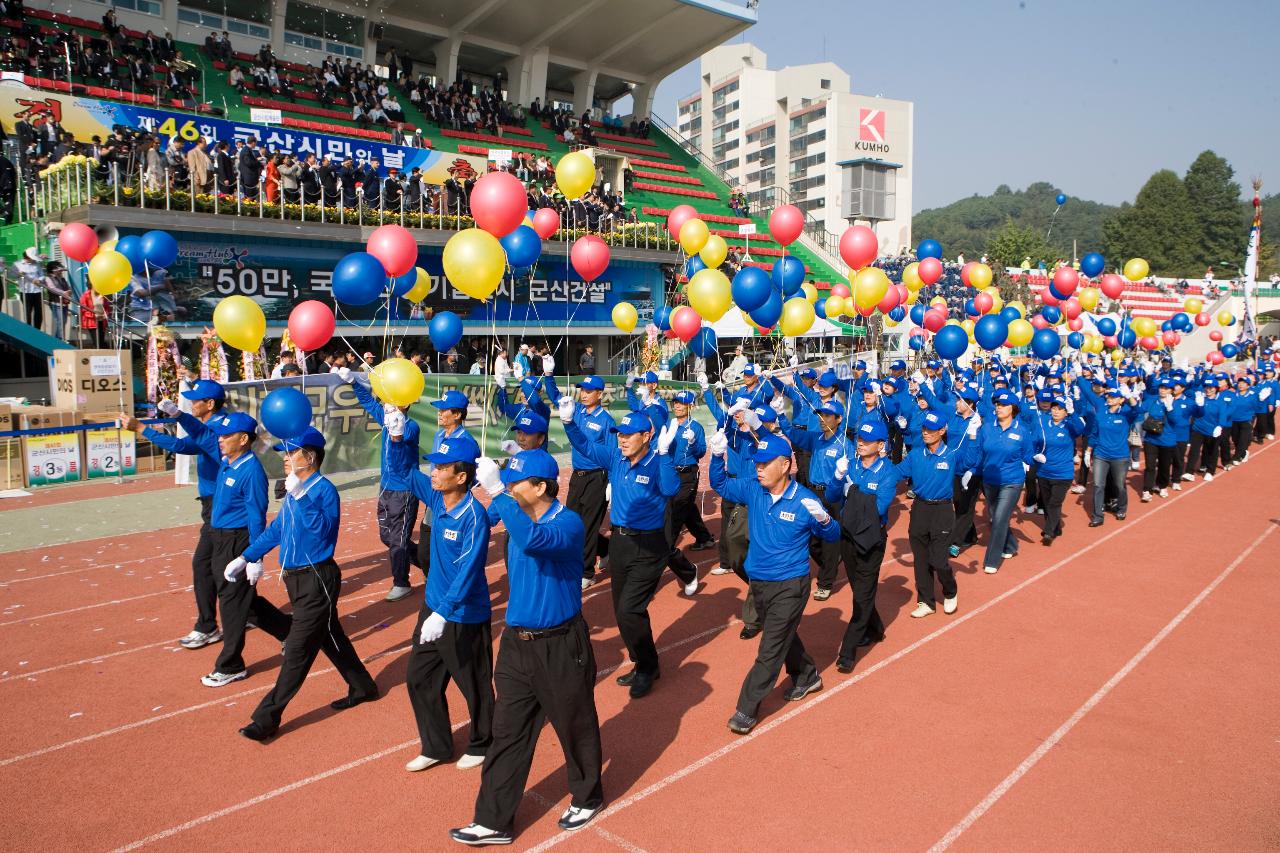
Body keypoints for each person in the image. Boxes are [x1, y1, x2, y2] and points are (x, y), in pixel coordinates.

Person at [449, 449, 603, 844]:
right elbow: (475, 519)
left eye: (518, 482)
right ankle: (493, 819)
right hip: (516, 645)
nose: (511, 486)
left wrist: (499, 490)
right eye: (509, 480)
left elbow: (534, 541)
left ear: (540, 487)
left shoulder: (567, 522)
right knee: (508, 732)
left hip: (560, 645)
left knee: (575, 725)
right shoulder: (515, 515)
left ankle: (587, 796)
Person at [235, 427, 379, 741]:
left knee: (298, 650)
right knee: (330, 634)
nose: (285, 460)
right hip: (297, 580)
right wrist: (247, 556)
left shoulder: (323, 490)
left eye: (291, 454)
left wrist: (300, 495)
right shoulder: (295, 488)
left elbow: (321, 530)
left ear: (309, 457)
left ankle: (266, 718)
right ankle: (363, 686)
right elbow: (277, 530)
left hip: (317, 579)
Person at [708, 430, 838, 734]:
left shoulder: (805, 501)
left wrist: (827, 521)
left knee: (769, 649)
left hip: (790, 585)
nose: (759, 468)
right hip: (760, 583)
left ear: (785, 465)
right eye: (757, 463)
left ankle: (746, 709)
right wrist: (716, 458)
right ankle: (807, 676)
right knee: (782, 635)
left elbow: (831, 536)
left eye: (766, 463)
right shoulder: (754, 489)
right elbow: (721, 484)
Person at [558, 401, 681, 699]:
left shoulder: (655, 462)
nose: (622, 439)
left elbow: (670, 489)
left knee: (630, 609)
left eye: (629, 434)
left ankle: (648, 666)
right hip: (621, 543)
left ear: (646, 436)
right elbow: (586, 447)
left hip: (649, 545)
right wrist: (569, 422)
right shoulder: (615, 456)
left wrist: (665, 455)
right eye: (619, 434)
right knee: (621, 610)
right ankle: (641, 661)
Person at [402, 432, 493, 772]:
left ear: (462, 477)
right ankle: (437, 746)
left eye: (442, 468)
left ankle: (484, 741)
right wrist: (396, 437)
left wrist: (443, 611)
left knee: (474, 684)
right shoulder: (438, 499)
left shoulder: (474, 517)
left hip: (463, 614)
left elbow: (469, 571)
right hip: (434, 610)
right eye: (434, 466)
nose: (434, 473)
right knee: (419, 678)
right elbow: (403, 472)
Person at [130, 381, 227, 649]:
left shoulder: (221, 427)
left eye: (196, 400)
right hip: (214, 502)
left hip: (222, 505)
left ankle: (208, 626)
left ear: (210, 404)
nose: (191, 404)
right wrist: (147, 430)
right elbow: (182, 445)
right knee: (226, 565)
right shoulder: (210, 426)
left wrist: (147, 426)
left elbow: (198, 439)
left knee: (204, 565)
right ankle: (247, 614)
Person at [199, 412, 291, 686]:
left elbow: (256, 516)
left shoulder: (251, 471)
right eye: (220, 435)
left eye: (227, 436)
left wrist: (254, 556)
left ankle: (231, 664)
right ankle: (290, 631)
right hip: (219, 537)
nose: (221, 440)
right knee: (241, 598)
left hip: (238, 540)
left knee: (231, 601)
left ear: (243, 439)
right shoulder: (228, 462)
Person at [339, 366, 423, 600]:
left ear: (404, 404)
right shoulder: (387, 419)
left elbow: (401, 450)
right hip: (386, 489)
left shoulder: (410, 426)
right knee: (389, 537)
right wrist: (353, 382)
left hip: (404, 490)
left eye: (392, 401)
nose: (386, 405)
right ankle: (428, 564)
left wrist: (397, 434)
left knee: (397, 539)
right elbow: (368, 402)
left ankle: (401, 582)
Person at [825, 420, 899, 671]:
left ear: (880, 445)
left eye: (867, 441)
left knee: (862, 596)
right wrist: (837, 478)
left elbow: (877, 509)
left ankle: (847, 651)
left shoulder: (888, 473)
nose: (860, 443)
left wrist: (852, 491)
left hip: (870, 540)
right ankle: (876, 628)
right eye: (859, 439)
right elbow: (832, 497)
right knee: (860, 590)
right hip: (847, 536)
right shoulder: (851, 465)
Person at [896, 410, 971, 617]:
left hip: (942, 510)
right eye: (924, 429)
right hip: (920, 509)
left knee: (938, 560)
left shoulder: (952, 454)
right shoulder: (915, 454)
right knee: (920, 560)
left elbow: (971, 459)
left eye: (931, 429)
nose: (926, 433)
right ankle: (926, 602)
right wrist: (878, 462)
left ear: (942, 430)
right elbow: (897, 473)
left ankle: (950, 590)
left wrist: (974, 435)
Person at [783, 396, 846, 600]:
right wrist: (781, 417)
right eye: (820, 414)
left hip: (834, 495)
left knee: (829, 541)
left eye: (827, 415)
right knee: (812, 542)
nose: (821, 418)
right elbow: (793, 434)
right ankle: (831, 563)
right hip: (814, 492)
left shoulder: (845, 445)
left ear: (838, 419)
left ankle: (825, 582)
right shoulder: (815, 438)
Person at [969, 389, 1035, 575]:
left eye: (1004, 405)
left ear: (1013, 409)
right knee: (997, 517)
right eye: (997, 404)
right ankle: (1011, 545)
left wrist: (1034, 460)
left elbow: (1028, 455)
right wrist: (972, 471)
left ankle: (992, 559)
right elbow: (980, 453)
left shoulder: (1022, 431)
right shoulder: (987, 428)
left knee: (998, 519)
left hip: (1012, 481)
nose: (999, 407)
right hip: (989, 481)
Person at [562, 376, 614, 589]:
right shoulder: (578, 413)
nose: (584, 394)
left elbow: (612, 453)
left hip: (596, 477)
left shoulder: (606, 420)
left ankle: (586, 572)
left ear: (600, 394)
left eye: (589, 391)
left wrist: (611, 482)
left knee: (588, 526)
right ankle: (607, 549)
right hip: (578, 476)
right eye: (582, 390)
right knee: (571, 523)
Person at [419, 390, 474, 574]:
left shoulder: (467, 442)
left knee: (448, 552)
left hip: (453, 503)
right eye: (439, 409)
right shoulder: (438, 436)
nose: (440, 413)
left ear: (457, 414)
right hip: (434, 499)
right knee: (425, 552)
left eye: (444, 410)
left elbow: (470, 478)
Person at [1079, 381, 1143, 527]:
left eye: (1114, 397)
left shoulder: (1127, 414)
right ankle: (1097, 516)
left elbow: (1138, 410)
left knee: (1119, 485)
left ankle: (1121, 508)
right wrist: (1088, 451)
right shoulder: (1101, 412)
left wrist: (1129, 397)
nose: (1109, 399)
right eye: (1108, 397)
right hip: (1101, 454)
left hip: (1120, 456)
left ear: (1121, 400)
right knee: (1098, 485)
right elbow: (1095, 433)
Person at [1033, 395, 1085, 545]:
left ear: (1065, 412)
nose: (1056, 412)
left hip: (1063, 473)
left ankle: (1048, 532)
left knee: (1055, 503)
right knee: (1047, 501)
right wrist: (1034, 455)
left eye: (1060, 409)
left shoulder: (1070, 426)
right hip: (1044, 471)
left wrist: (1073, 412)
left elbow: (1081, 429)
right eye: (1054, 408)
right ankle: (1055, 526)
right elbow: (1034, 441)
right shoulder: (1044, 423)